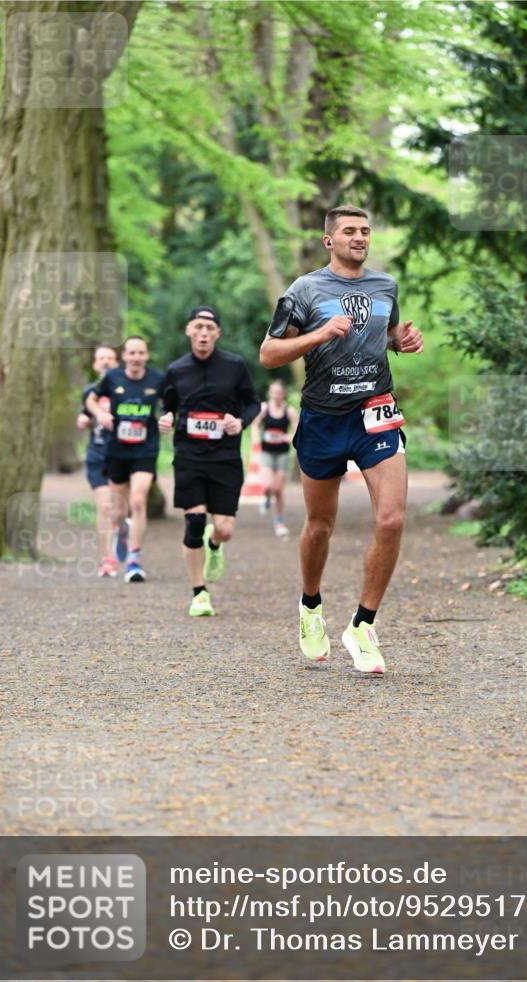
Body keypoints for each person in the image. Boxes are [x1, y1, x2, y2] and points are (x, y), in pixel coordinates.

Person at [260, 205, 423, 674]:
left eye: (365, 231)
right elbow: (269, 353)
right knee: (319, 527)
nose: (359, 237)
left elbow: (386, 335)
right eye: (349, 231)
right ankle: (310, 605)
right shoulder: (305, 290)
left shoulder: (385, 286)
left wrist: (401, 343)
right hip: (323, 418)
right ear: (329, 240)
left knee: (391, 520)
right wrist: (317, 335)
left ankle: (363, 625)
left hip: (375, 412)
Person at [159, 306, 260, 617]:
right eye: (198, 327)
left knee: (225, 528)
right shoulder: (176, 370)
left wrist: (239, 423)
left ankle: (215, 545)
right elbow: (168, 408)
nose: (203, 333)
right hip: (189, 456)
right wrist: (166, 418)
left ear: (217, 334)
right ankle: (199, 593)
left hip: (225, 457)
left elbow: (253, 404)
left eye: (210, 328)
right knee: (194, 524)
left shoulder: (234, 366)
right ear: (189, 330)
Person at [86, 336, 164, 583]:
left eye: (141, 353)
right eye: (132, 353)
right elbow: (90, 398)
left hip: (145, 449)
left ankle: (134, 559)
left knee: (138, 499)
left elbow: (171, 403)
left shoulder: (158, 379)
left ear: (147, 355)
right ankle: (121, 530)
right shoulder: (112, 378)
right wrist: (99, 414)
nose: (136, 358)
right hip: (117, 449)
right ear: (124, 357)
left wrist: (167, 417)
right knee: (118, 510)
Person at [76, 345, 119, 577]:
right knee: (104, 506)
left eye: (110, 358)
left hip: (123, 455)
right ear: (95, 364)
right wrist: (83, 420)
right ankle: (107, 559)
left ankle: (124, 536)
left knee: (121, 508)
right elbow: (84, 413)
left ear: (116, 363)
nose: (105, 362)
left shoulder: (125, 390)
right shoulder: (90, 392)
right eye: (101, 358)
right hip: (97, 455)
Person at [251, 380, 298, 538]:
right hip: (267, 453)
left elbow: (298, 432)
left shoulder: (289, 411)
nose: (276, 395)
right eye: (274, 392)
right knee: (267, 486)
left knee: (278, 490)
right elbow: (255, 425)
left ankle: (279, 521)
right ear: (270, 393)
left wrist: (287, 437)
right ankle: (265, 497)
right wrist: (256, 441)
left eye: (279, 393)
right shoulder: (264, 409)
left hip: (282, 455)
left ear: (283, 394)